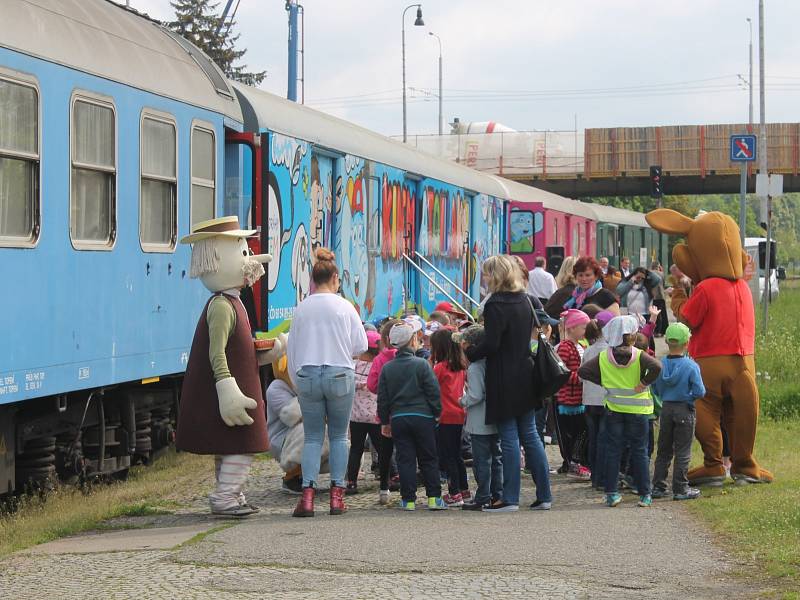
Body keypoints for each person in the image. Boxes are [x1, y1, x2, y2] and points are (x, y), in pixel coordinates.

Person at [464, 255, 553, 512]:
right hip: (526, 372)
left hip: (503, 376)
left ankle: (510, 498)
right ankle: (544, 495)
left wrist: (469, 352)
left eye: (487, 273)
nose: (485, 278)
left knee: (510, 438)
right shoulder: (525, 299)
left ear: (498, 275)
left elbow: (492, 344)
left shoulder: (495, 305)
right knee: (531, 435)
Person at [287, 247, 368, 518]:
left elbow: (293, 350)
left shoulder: (301, 309)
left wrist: (298, 380)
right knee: (338, 436)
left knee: (312, 437)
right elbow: (361, 344)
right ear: (334, 277)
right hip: (339, 375)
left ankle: (308, 497)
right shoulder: (345, 307)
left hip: (308, 374)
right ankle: (337, 497)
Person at [578, 316, 661, 508]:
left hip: (614, 410)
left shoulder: (604, 357)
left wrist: (605, 382)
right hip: (639, 411)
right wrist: (643, 383)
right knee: (639, 451)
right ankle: (645, 494)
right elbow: (657, 366)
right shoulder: (639, 356)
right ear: (632, 336)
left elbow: (583, 372)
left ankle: (612, 493)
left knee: (613, 451)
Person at [377, 322, 448, 511]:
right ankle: (434, 498)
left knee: (405, 459)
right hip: (422, 416)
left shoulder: (387, 368)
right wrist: (437, 413)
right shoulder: (422, 365)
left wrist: (385, 421)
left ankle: (408, 500)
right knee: (428, 458)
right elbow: (433, 391)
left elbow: (383, 398)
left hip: (399, 418)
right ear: (413, 340)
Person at [651, 323, 706, 501]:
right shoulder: (691, 366)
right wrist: (688, 397)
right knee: (683, 451)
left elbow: (656, 389)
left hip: (666, 408)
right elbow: (700, 391)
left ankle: (658, 486)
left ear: (666, 341)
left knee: (664, 450)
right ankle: (681, 489)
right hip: (684, 409)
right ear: (687, 342)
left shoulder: (660, 364)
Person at [345, 329, 396, 504]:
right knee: (382, 449)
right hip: (375, 416)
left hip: (356, 416)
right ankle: (388, 478)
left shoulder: (352, 366)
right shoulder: (379, 366)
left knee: (356, 449)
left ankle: (351, 482)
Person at [457, 325, 503, 510]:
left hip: (479, 420)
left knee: (482, 460)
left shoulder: (475, 367)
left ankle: (483, 495)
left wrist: (462, 400)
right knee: (496, 458)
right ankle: (497, 493)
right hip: (495, 417)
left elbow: (476, 395)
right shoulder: (493, 362)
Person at [430, 328, 469, 506]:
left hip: (444, 415)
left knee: (448, 456)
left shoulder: (439, 368)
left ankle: (454, 493)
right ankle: (464, 489)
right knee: (457, 454)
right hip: (459, 414)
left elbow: (430, 388)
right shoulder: (460, 366)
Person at [555, 309, 591, 478]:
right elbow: (562, 372)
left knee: (581, 431)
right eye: (583, 327)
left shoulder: (581, 346)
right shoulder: (564, 347)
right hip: (568, 400)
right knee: (575, 432)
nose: (586, 331)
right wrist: (583, 378)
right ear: (572, 327)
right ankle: (574, 463)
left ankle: (574, 462)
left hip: (579, 397)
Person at [580, 319, 608, 490]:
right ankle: (604, 477)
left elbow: (582, 375)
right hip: (605, 400)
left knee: (593, 438)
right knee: (605, 439)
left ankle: (595, 477)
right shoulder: (609, 351)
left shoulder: (588, 351)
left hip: (589, 400)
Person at [649, 261, 668, 336]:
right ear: (658, 266)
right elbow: (663, 285)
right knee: (662, 313)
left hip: (653, 296)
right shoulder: (662, 274)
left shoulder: (649, 273)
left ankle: (656, 330)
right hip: (661, 295)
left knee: (655, 313)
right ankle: (661, 331)